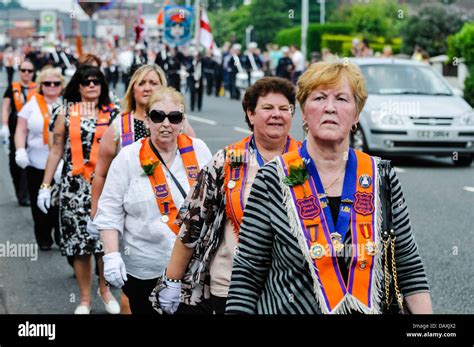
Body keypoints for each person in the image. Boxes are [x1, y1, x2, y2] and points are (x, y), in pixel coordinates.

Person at [225, 61, 433, 314]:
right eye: (320, 97)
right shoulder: (273, 178)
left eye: (343, 99)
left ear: (356, 115)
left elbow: (408, 265)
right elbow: (247, 272)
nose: (330, 108)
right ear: (304, 110)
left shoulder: (381, 176)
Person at [151, 77, 301, 315]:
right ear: (250, 115)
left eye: (284, 109)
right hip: (231, 284)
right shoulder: (226, 161)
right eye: (268, 108)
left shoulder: (306, 162)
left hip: (290, 288)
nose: (277, 114)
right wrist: (172, 280)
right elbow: (192, 224)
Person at [94, 87, 212, 314]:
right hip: (145, 268)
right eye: (158, 116)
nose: (166, 123)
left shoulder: (200, 151)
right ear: (147, 121)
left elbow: (215, 204)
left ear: (182, 121)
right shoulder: (128, 158)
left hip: (194, 268)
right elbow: (109, 210)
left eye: (174, 117)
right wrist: (111, 255)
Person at [37, 65, 121, 314]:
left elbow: (122, 153)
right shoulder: (63, 111)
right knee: (79, 245)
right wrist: (45, 185)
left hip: (106, 188)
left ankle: (104, 290)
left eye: (96, 81)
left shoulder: (114, 114)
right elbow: (55, 150)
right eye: (86, 81)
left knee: (104, 244)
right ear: (78, 86)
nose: (92, 85)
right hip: (73, 190)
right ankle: (85, 298)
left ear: (103, 86)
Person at [89, 64, 168, 314]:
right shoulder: (119, 125)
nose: (147, 88)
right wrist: (96, 213)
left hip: (168, 218)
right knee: (130, 290)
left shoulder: (175, 122)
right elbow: (100, 173)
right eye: (141, 83)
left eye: (153, 82)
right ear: (132, 89)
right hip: (130, 219)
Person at [14, 67, 63, 250]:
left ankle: (61, 236)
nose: (51, 86)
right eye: (47, 83)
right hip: (36, 163)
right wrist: (20, 149)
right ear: (41, 85)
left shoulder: (69, 104)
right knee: (39, 205)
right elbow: (21, 128)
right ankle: (43, 238)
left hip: (61, 166)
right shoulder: (32, 103)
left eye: (56, 83)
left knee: (59, 205)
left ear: (61, 85)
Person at [1, 59, 36, 206]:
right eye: (23, 70)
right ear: (19, 72)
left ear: (33, 73)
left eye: (29, 71)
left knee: (29, 163)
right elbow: (6, 107)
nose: (26, 73)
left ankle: (26, 195)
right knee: (14, 165)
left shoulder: (38, 88)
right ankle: (20, 192)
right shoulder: (13, 87)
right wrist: (4, 125)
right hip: (15, 131)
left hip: (33, 131)